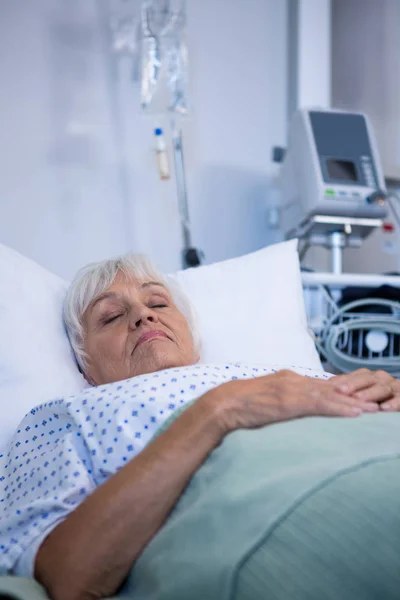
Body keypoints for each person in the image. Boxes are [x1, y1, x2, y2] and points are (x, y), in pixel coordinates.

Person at [1, 254, 400, 600]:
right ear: (83, 364)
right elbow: (66, 574)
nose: (143, 314)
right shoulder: (63, 417)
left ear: (191, 333)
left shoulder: (279, 374)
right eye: (111, 316)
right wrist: (219, 409)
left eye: (157, 301)